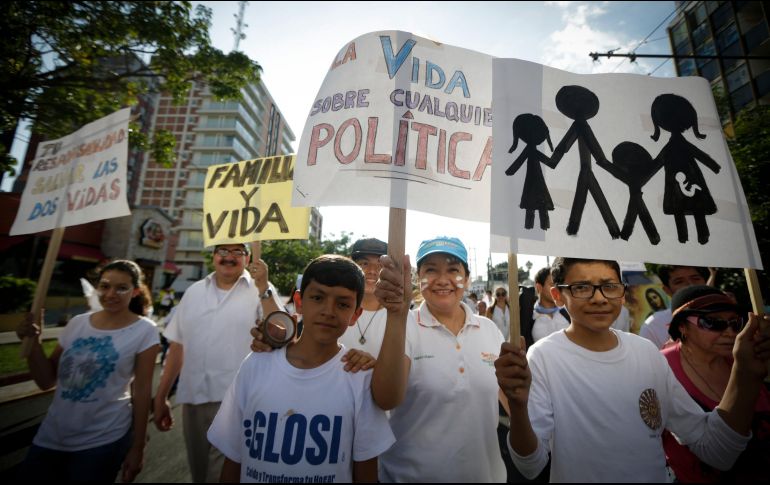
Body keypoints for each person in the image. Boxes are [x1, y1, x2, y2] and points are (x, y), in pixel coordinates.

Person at [495, 257, 770, 482]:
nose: (599, 298)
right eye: (581, 287)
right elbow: (531, 465)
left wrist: (746, 374)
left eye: (609, 286)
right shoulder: (543, 356)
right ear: (558, 295)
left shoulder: (646, 353)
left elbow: (715, 449)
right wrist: (518, 409)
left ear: (623, 292)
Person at [207, 255, 395, 482]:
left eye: (343, 304)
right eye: (317, 297)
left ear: (356, 314)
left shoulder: (360, 377)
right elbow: (234, 457)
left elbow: (364, 471)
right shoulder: (256, 364)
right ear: (299, 301)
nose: (328, 310)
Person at [372, 236, 508, 482]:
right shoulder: (402, 326)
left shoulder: (490, 330)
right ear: (417, 278)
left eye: (453, 270)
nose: (442, 280)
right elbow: (385, 399)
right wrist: (396, 316)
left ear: (466, 279)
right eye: (431, 270)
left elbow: (513, 402)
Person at [16, 260, 159, 483]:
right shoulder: (77, 324)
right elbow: (46, 380)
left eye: (122, 288)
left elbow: (141, 391)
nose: (111, 293)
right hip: (50, 437)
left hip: (102, 441)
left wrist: (138, 447)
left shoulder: (144, 331)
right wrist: (34, 343)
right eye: (105, 286)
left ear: (135, 292)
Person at [153, 243, 282, 483]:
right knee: (200, 474)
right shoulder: (193, 292)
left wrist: (264, 287)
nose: (229, 257)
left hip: (237, 403)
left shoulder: (260, 289)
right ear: (213, 256)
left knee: (221, 476)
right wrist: (161, 396)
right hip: (193, 400)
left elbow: (282, 332)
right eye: (223, 251)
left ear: (247, 258)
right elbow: (177, 347)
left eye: (237, 252)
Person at [662, 285, 770, 482]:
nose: (729, 332)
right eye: (712, 323)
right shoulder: (660, 367)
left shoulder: (749, 355)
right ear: (682, 327)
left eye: (735, 323)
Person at [337, 238, 390, 357]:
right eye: (364, 263)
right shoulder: (334, 310)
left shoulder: (400, 317)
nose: (372, 271)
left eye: (380, 265)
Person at [639, 265, 710, 349]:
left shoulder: (725, 315)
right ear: (667, 290)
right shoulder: (653, 326)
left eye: (696, 279)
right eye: (679, 282)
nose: (690, 285)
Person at [531, 267, 570, 342]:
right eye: (552, 285)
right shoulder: (530, 318)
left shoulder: (567, 313)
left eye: (558, 285)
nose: (557, 289)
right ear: (539, 287)